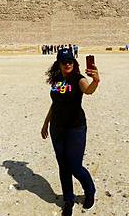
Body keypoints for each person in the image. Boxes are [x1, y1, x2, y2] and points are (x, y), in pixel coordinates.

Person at [41, 48, 100, 215]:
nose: (67, 64)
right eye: (64, 62)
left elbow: (88, 90)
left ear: (74, 63)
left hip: (75, 128)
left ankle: (90, 191)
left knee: (74, 166)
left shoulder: (78, 79)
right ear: (58, 64)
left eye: (70, 61)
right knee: (63, 167)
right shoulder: (57, 79)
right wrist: (45, 123)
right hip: (57, 128)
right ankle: (68, 199)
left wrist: (95, 80)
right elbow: (55, 104)